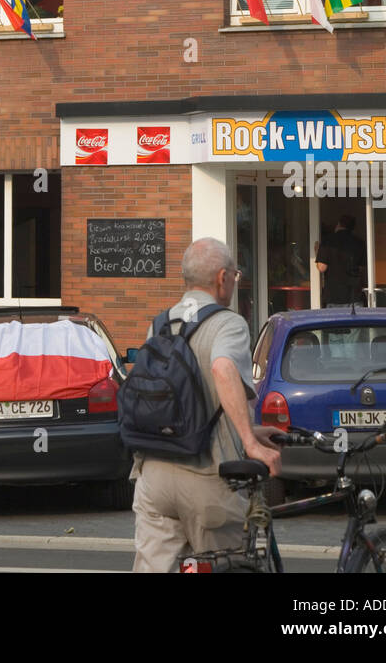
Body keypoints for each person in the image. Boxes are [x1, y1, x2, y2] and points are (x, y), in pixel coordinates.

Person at [131, 237, 282, 573]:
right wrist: (248, 442)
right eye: (235, 276)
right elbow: (222, 369)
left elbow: (182, 405)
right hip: (207, 477)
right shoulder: (228, 323)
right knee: (230, 566)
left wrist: (249, 428)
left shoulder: (158, 325)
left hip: (153, 477)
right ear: (222, 278)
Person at [315, 215, 367, 306]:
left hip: (334, 296)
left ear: (338, 224)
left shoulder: (328, 241)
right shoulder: (359, 242)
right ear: (353, 228)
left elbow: (322, 267)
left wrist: (317, 253)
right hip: (354, 295)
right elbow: (361, 268)